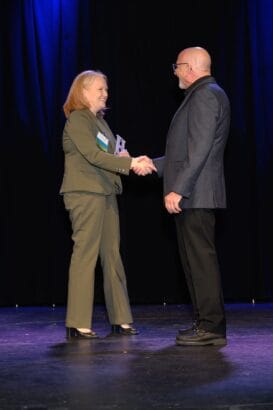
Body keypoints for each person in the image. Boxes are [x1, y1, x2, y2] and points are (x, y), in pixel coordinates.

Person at [60, 70, 156, 339]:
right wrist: (130, 163)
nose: (105, 93)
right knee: (85, 254)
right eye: (100, 89)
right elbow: (92, 155)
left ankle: (121, 318)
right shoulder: (79, 119)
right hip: (85, 194)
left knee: (112, 256)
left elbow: (111, 155)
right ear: (83, 92)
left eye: (106, 89)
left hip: (106, 193)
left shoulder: (100, 122)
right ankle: (77, 322)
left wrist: (132, 159)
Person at [154, 47, 230, 346]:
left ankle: (211, 326)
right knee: (193, 261)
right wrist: (152, 165)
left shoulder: (205, 95)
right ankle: (205, 323)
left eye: (177, 66)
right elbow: (183, 153)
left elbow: (198, 150)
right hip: (194, 193)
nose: (174, 72)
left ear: (189, 67)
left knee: (201, 262)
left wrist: (178, 189)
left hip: (195, 194)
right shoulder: (203, 95)